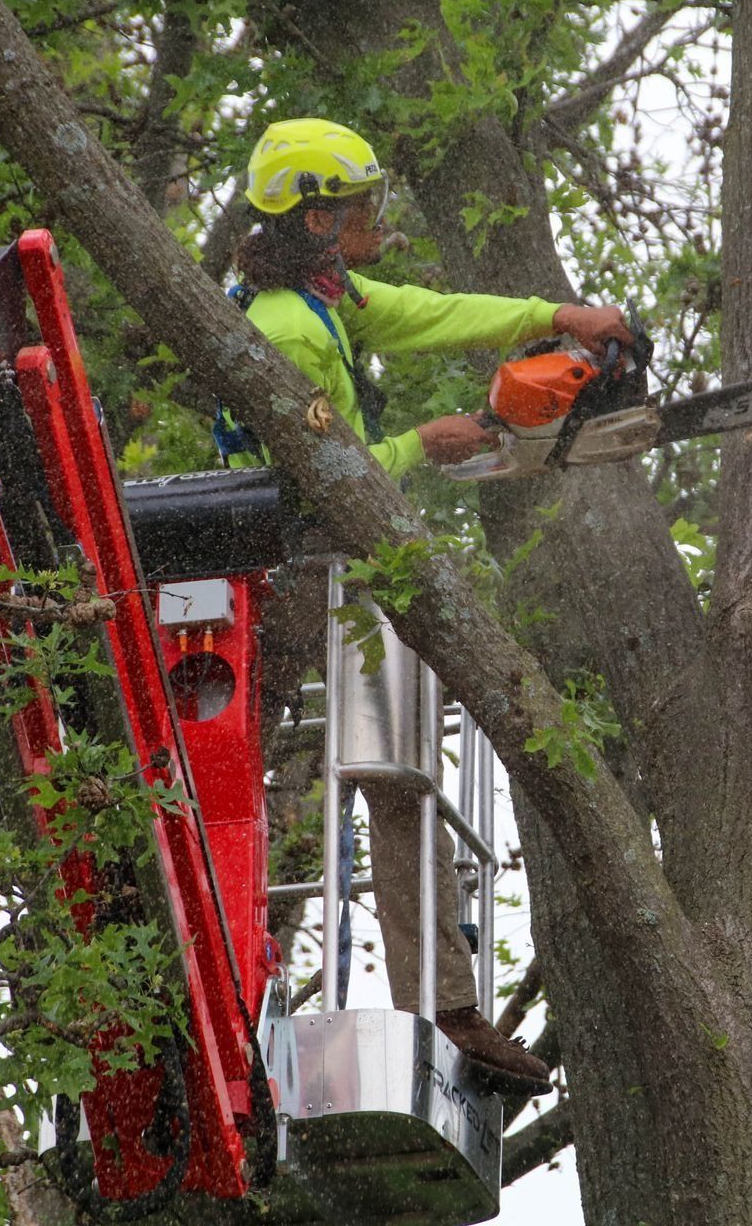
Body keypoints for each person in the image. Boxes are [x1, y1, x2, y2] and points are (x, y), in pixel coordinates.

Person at [235, 117, 630, 1096]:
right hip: (295, 568)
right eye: (361, 204)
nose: (378, 217)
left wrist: (552, 315)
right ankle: (432, 1005)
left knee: (401, 772)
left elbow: (422, 312)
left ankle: (446, 1002)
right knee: (388, 772)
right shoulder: (285, 327)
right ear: (319, 218)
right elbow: (318, 476)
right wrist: (424, 446)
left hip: (323, 556)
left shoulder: (325, 298)